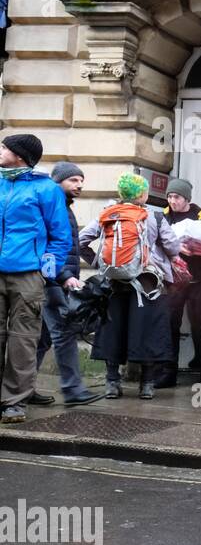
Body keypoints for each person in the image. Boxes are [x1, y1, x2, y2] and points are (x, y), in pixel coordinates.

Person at [79, 173, 181, 399]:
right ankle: (147, 385)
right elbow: (173, 248)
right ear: (143, 194)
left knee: (112, 331)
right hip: (147, 285)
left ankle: (112, 383)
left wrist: (98, 263)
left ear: (121, 194)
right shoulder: (154, 217)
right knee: (148, 332)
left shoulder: (107, 214)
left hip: (113, 284)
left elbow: (81, 240)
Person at [0, 134, 76, 424]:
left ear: (20, 155)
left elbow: (60, 237)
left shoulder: (45, 189)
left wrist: (45, 273)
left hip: (28, 275)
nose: (0, 150)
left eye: (5, 147)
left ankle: (14, 402)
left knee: (22, 340)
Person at [34, 162, 102, 407]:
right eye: (73, 180)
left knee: (42, 339)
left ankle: (22, 387)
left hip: (53, 282)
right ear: (57, 181)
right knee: (64, 333)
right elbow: (46, 247)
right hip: (50, 283)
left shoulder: (64, 207)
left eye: (81, 180)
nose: (80, 185)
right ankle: (73, 389)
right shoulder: (51, 207)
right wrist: (63, 276)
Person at [159, 177, 201, 387]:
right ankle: (168, 373)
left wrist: (200, 248)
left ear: (186, 198)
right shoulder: (163, 217)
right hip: (174, 280)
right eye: (169, 196)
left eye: (176, 196)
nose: (172, 200)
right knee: (170, 324)